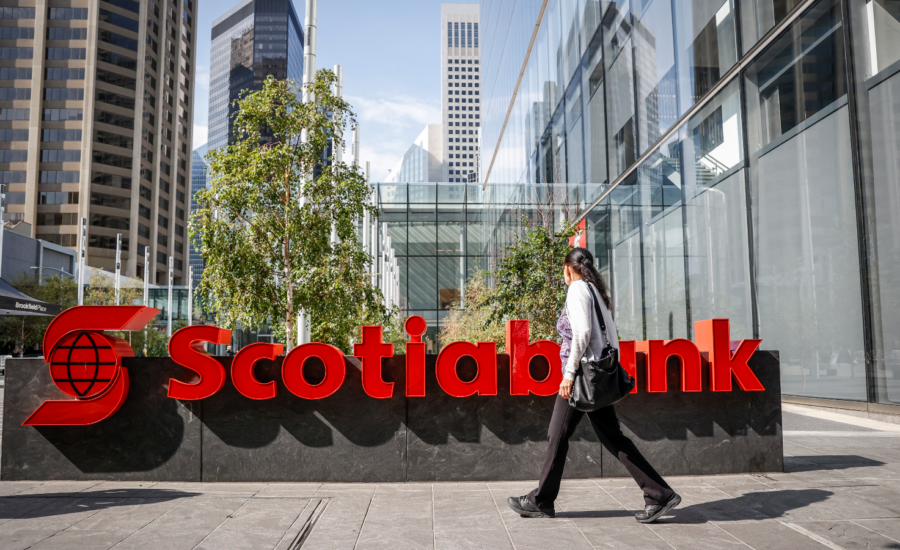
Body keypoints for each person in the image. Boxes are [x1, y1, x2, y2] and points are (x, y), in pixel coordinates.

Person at [507, 247, 681, 524]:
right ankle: (659, 494)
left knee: (557, 435)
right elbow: (610, 335)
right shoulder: (595, 291)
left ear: (567, 268)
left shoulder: (577, 289)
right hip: (596, 376)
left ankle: (541, 500)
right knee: (611, 438)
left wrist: (568, 374)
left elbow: (583, 333)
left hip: (581, 378)